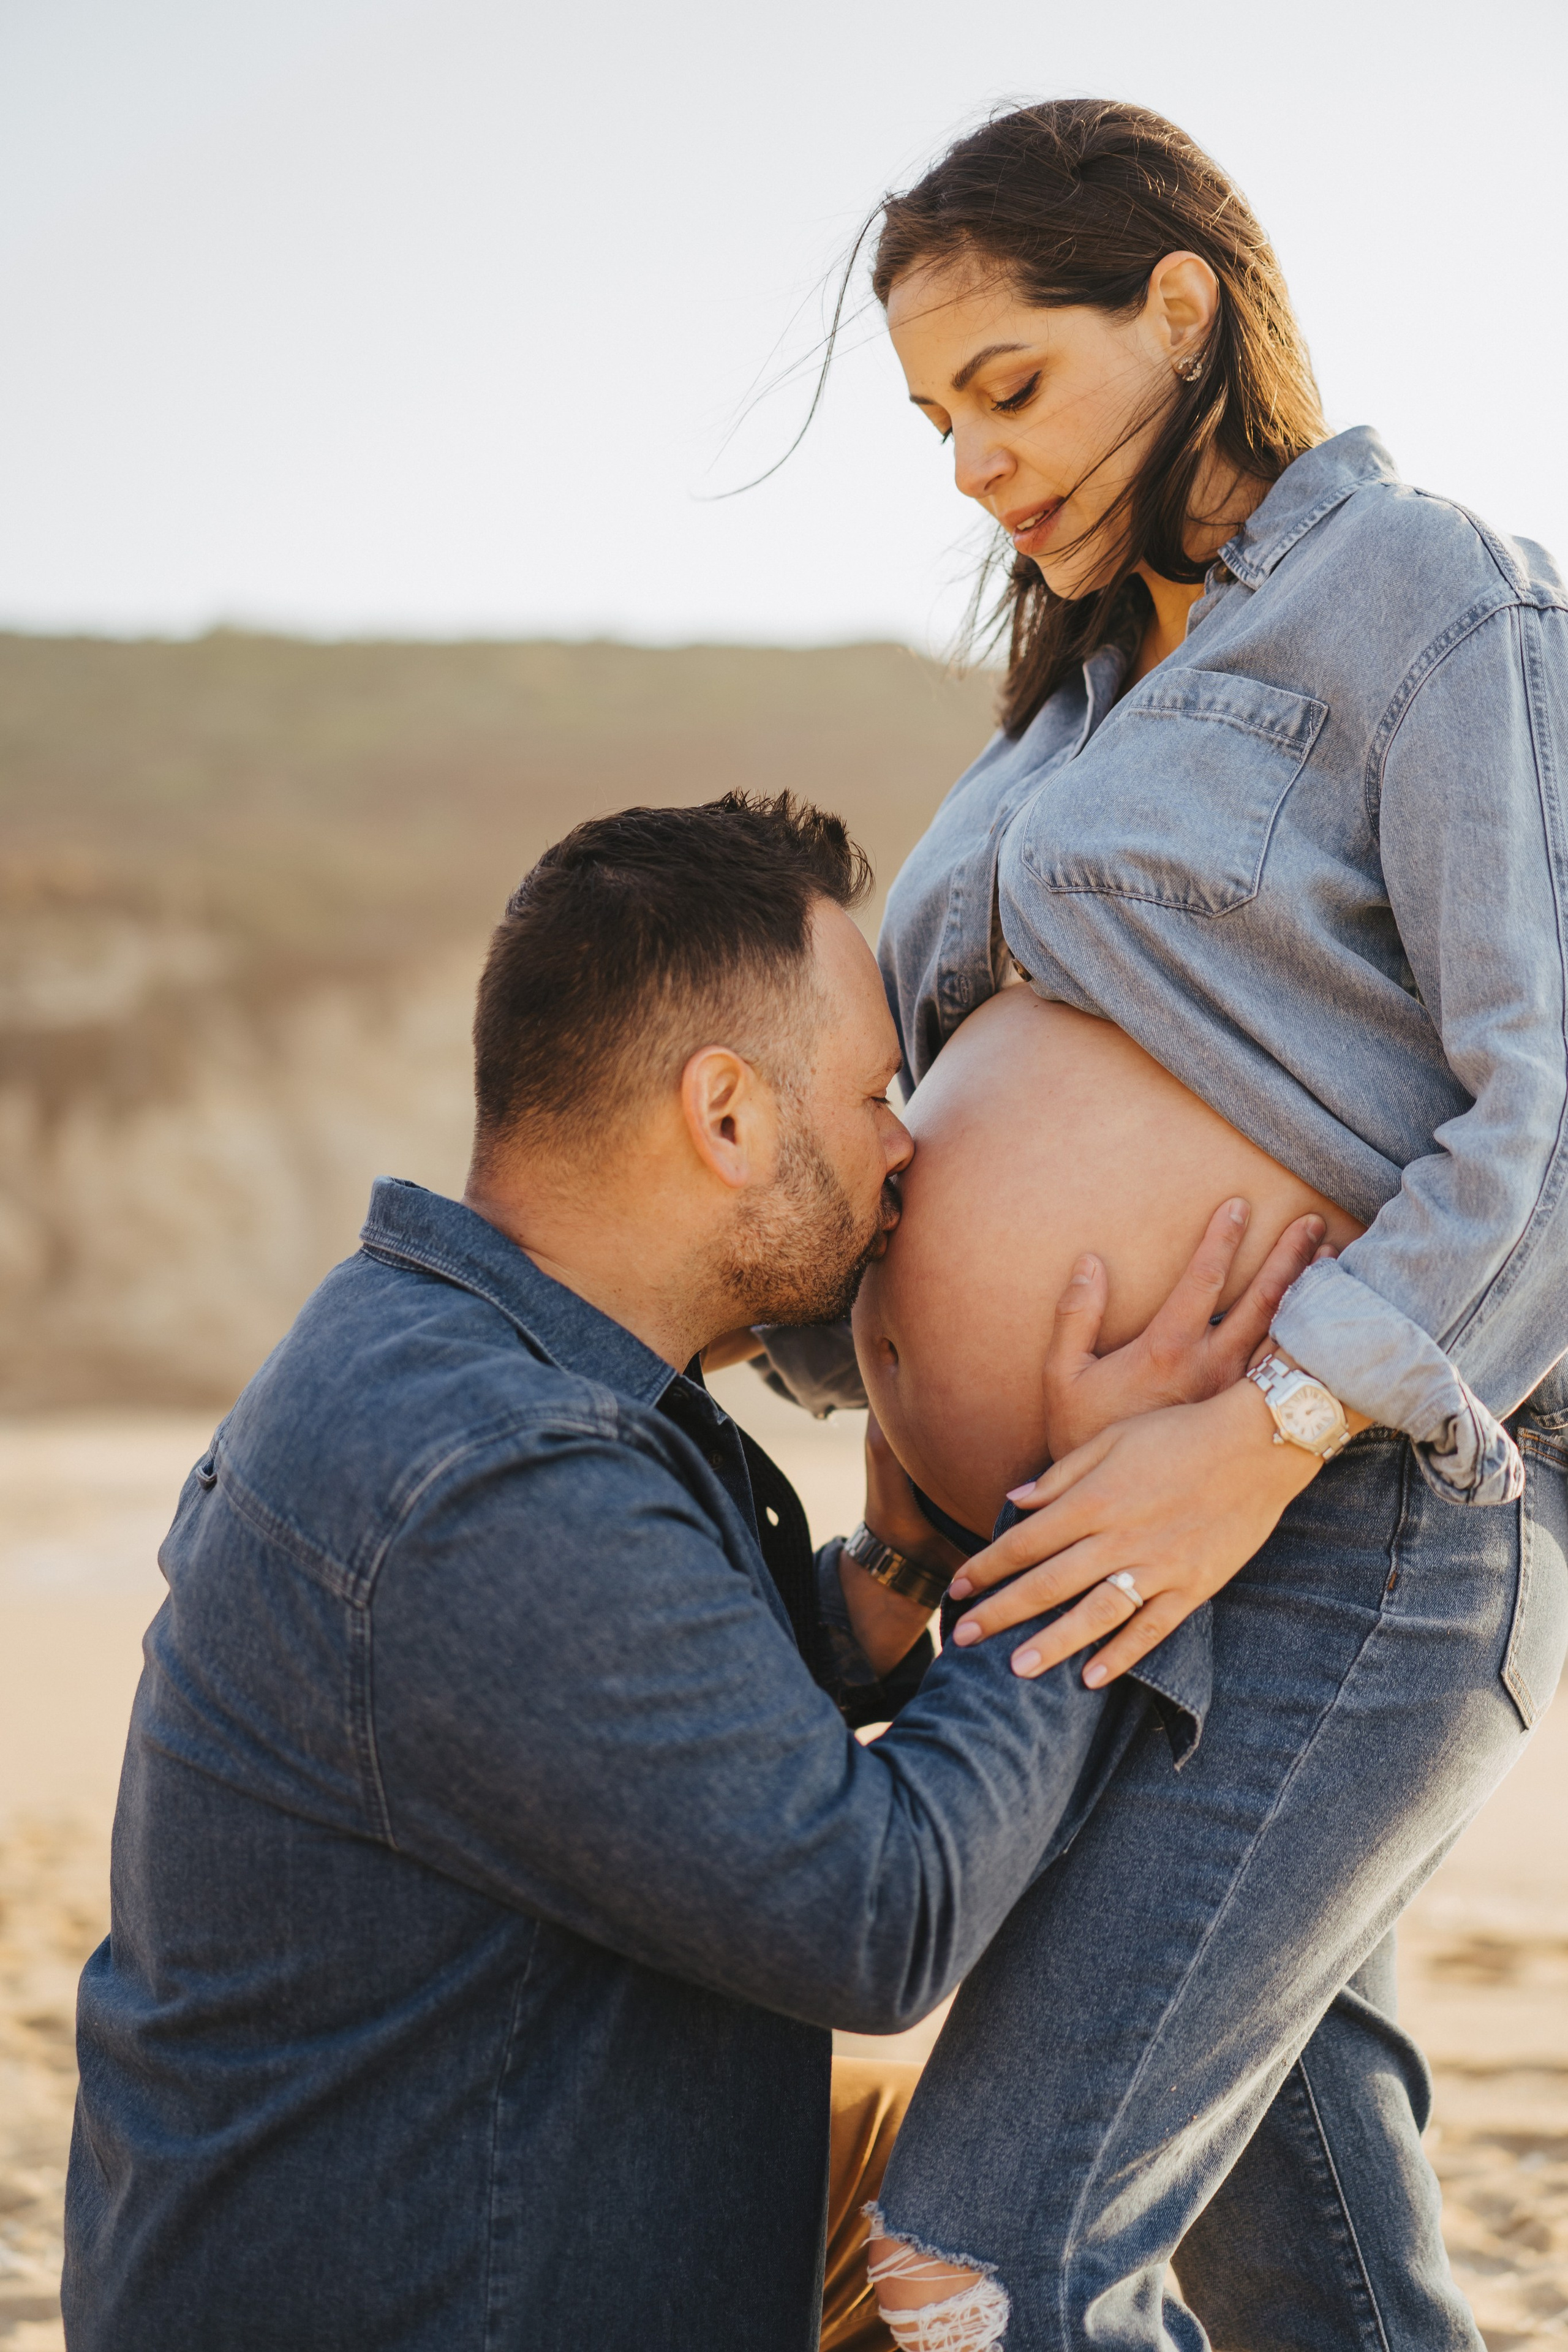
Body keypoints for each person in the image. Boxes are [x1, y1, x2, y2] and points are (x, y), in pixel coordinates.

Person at [61, 792, 1320, 2352]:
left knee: (1039, 2153)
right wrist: (1086, 1531)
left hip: (424, 2191)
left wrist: (902, 1568)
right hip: (438, 2299)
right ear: (725, 1117)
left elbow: (607, 1723)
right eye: (869, 1093)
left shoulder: (449, 1356)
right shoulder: (484, 1479)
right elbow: (881, 1916)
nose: (903, 1143)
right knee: (1006, 2250)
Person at [761, 99, 1568, 2351]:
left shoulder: (1426, 594)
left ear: (1183, 304)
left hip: (1358, 1515)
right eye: (936, 420)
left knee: (967, 2265)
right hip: (1076, 1548)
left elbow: (1550, 1101)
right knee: (1309, 2267)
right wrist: (912, 1504)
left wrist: (1273, 1424)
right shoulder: (1058, 718)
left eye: (1009, 386)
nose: (972, 468)